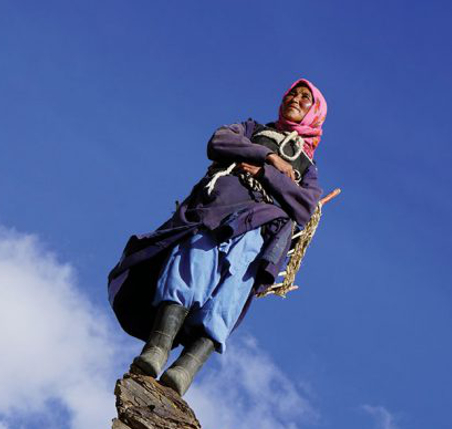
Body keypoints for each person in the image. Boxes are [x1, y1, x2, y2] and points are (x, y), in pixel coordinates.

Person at [107, 79, 328, 395]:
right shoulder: (253, 129)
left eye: (305, 97)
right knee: (191, 264)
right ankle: (156, 350)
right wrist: (270, 157)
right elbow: (220, 140)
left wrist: (265, 173)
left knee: (229, 292)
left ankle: (184, 371)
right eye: (292, 93)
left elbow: (305, 206)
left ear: (315, 113)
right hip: (218, 208)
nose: (295, 98)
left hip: (262, 229)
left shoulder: (308, 168)